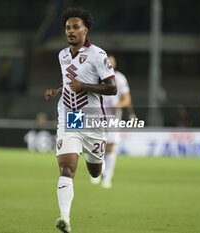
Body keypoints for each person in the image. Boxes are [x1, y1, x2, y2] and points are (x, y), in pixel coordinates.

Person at [44, 8, 116, 233]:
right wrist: (57, 90)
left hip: (92, 119)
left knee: (95, 171)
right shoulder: (62, 55)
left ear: (86, 29)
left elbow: (112, 88)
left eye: (76, 27)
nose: (71, 31)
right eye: (67, 28)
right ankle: (64, 218)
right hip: (69, 117)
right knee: (67, 168)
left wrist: (84, 86)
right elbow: (69, 81)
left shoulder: (98, 55)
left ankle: (96, 163)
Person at [90, 54, 133, 188]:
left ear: (114, 65)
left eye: (111, 62)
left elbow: (127, 99)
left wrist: (118, 106)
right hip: (98, 115)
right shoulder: (97, 77)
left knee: (110, 147)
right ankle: (99, 171)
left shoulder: (119, 78)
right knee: (96, 144)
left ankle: (107, 176)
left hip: (113, 118)